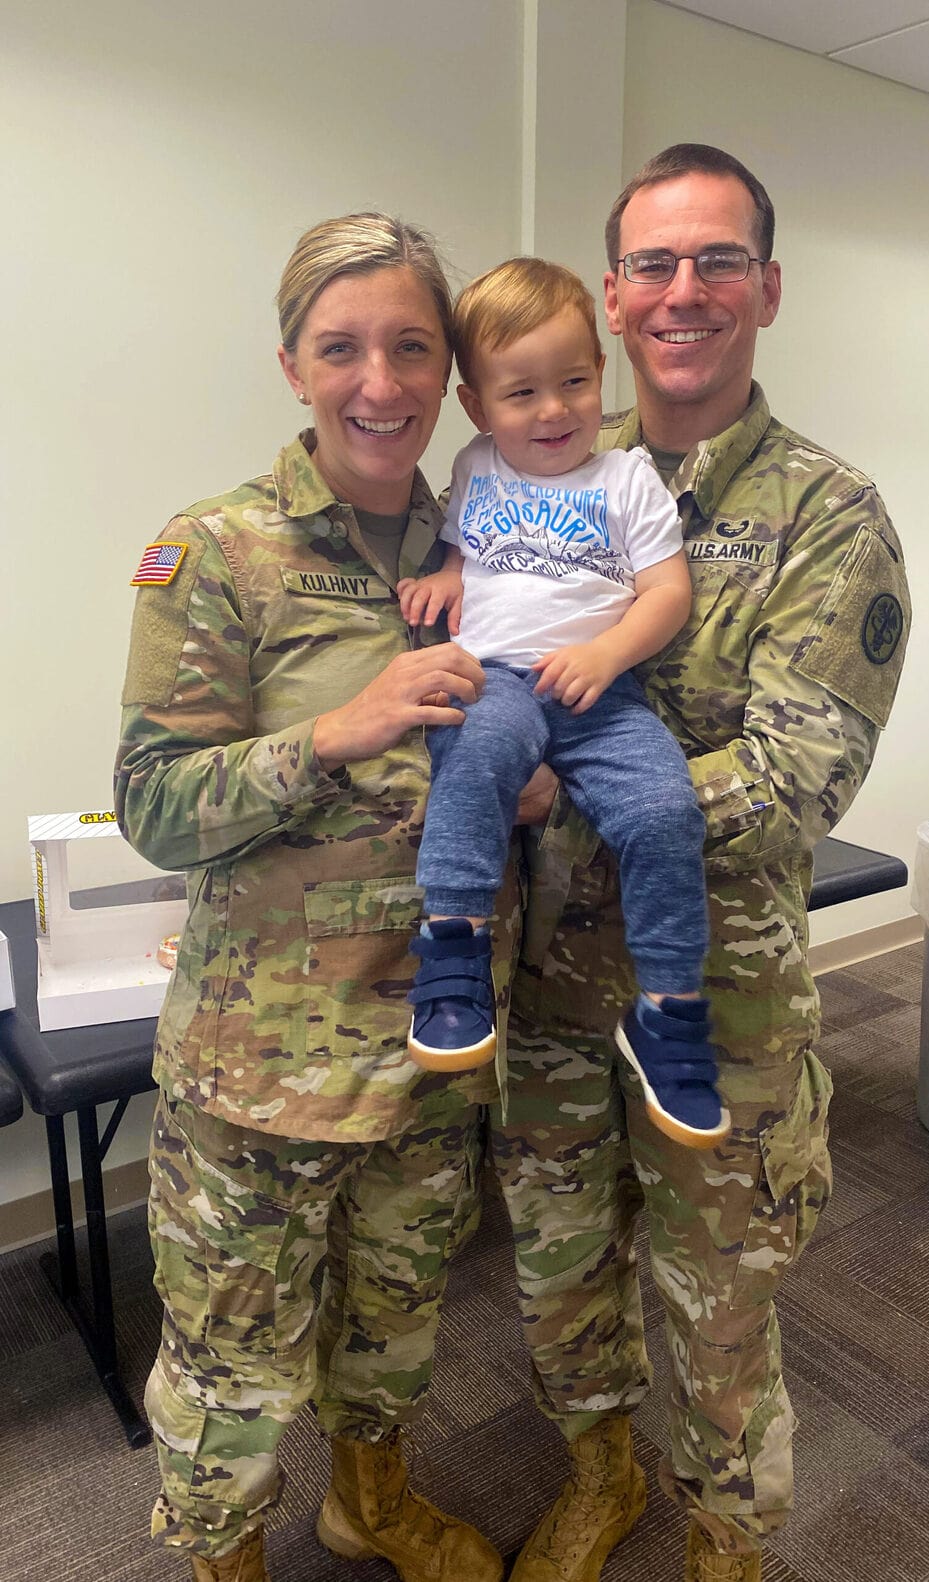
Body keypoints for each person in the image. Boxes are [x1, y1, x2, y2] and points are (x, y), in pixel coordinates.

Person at [491, 145, 911, 1582]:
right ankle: (601, 1474)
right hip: (548, 992)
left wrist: (555, 800)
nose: (686, 292)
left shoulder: (828, 517)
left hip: (717, 1011)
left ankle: (724, 1541)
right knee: (560, 1270)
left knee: (720, 1307)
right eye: (656, 265)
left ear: (768, 289)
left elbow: (796, 777)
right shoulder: (543, 466)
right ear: (611, 294)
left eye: (718, 261)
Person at [114, 212, 519, 1582]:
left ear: (449, 371)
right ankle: (229, 1561)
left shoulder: (496, 547)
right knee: (229, 1376)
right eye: (342, 347)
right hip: (259, 1078)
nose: (380, 382)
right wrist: (337, 729)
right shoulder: (221, 549)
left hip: (428, 1053)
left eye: (412, 346)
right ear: (292, 363)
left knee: (394, 1330)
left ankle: (370, 1502)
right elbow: (157, 803)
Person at [397, 257, 729, 1148]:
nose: (554, 411)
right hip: (497, 676)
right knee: (473, 757)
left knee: (665, 811)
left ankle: (668, 1007)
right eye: (523, 393)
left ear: (601, 375)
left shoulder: (625, 480)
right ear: (477, 407)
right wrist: (448, 574)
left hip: (600, 692)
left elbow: (666, 593)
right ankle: (454, 946)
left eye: (576, 382)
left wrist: (607, 650)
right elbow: (471, 552)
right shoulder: (471, 466)